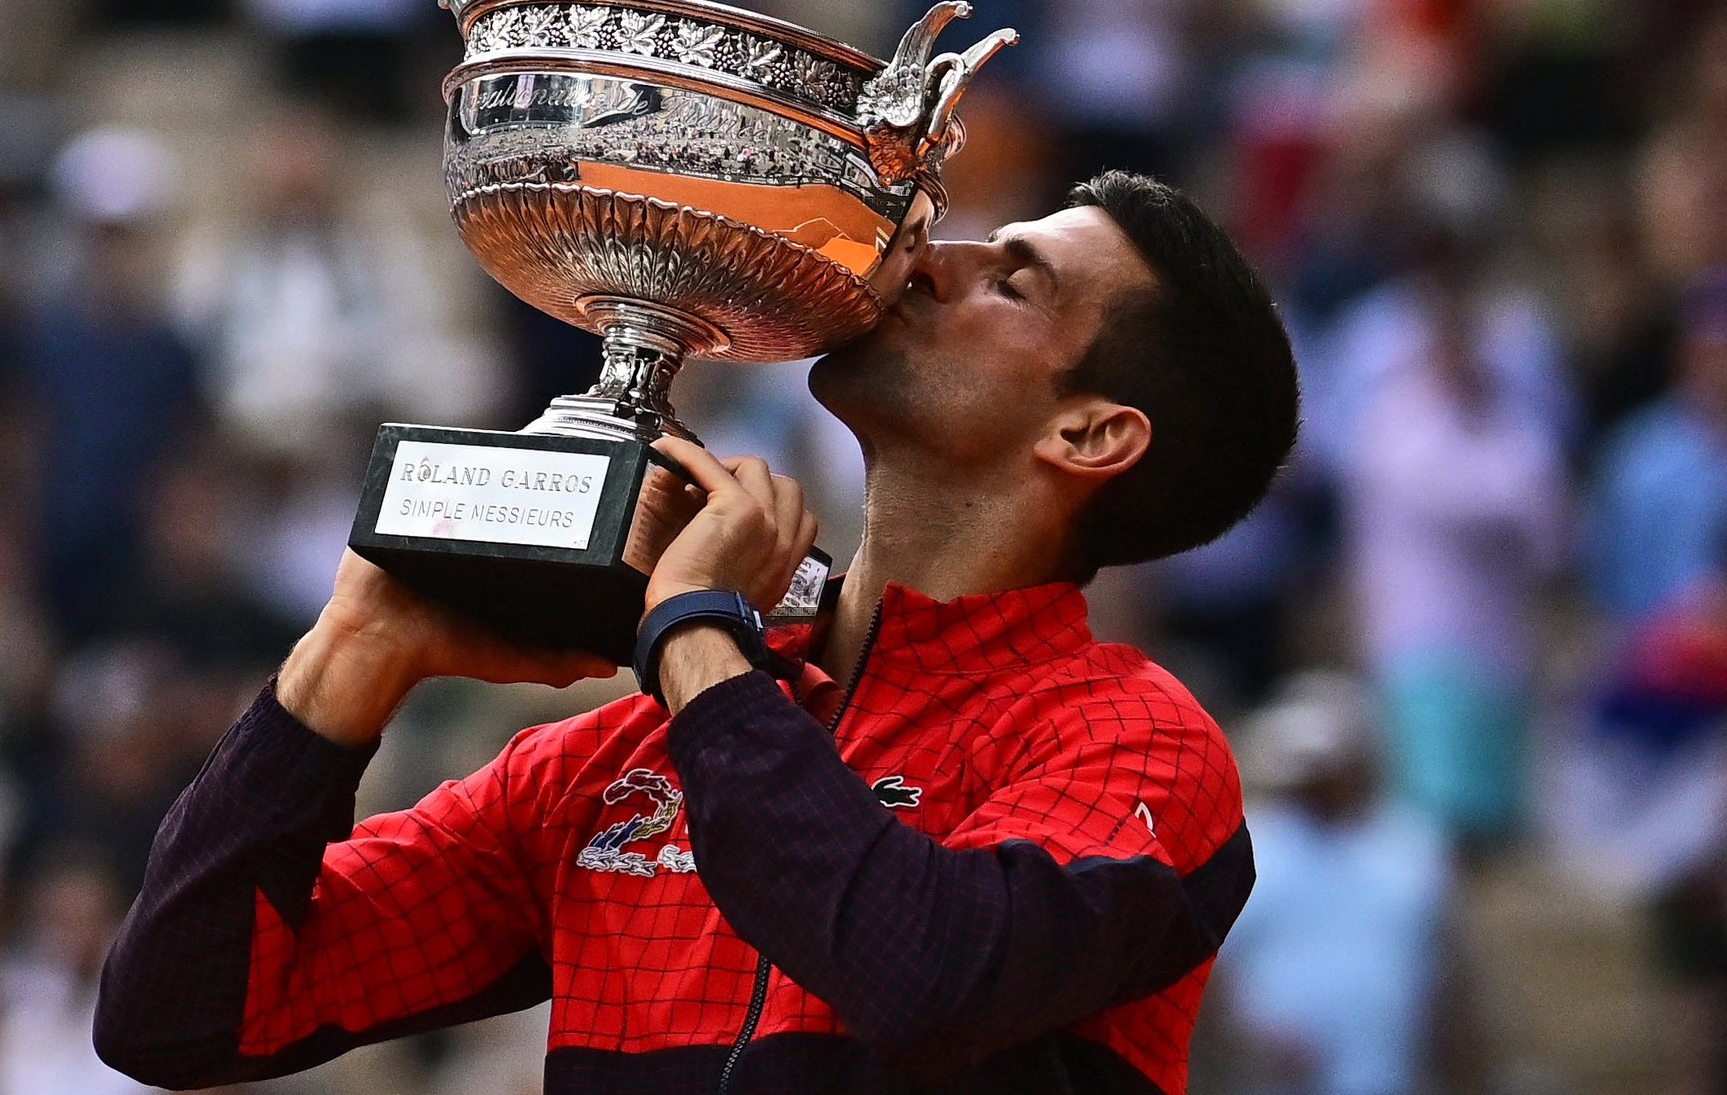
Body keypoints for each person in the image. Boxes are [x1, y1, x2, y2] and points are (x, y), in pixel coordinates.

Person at [93, 171, 1300, 1094]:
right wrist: (352, 652)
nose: (933, 259)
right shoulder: (613, 766)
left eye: (1012, 279)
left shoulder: (1133, 744)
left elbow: (928, 972)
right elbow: (183, 1014)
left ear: (1091, 436)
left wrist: (695, 641)